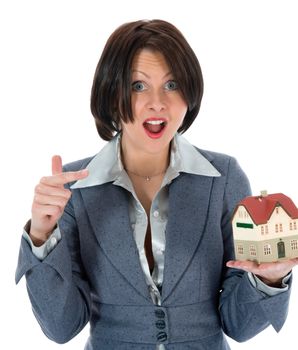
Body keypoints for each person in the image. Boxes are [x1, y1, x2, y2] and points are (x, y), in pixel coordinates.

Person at [16, 19, 297, 350]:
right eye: (138, 86)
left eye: (172, 84)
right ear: (110, 94)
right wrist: (41, 236)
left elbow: (239, 327)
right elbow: (60, 327)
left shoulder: (223, 178)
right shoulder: (73, 190)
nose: (158, 103)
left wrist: (268, 278)